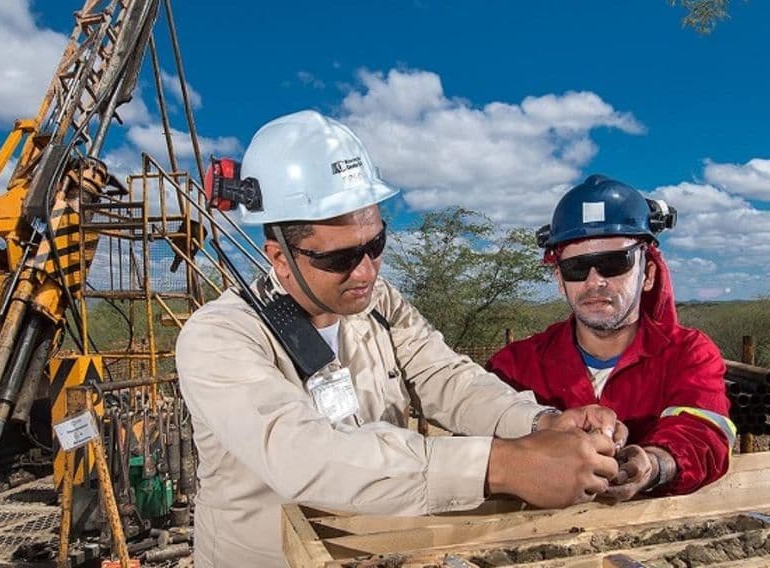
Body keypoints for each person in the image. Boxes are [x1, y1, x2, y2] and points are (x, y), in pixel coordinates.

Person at [177, 110, 627, 567]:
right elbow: (308, 458)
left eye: (375, 245)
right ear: (279, 258)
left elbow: (447, 378)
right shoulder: (219, 338)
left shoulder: (378, 304)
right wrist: (503, 464)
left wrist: (539, 424)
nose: (367, 271)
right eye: (342, 258)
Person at [488, 174, 734, 502]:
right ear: (561, 281)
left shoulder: (688, 354)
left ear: (647, 274)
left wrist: (655, 465)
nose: (594, 281)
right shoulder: (515, 366)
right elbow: (478, 446)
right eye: (577, 268)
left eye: (613, 263)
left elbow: (702, 433)